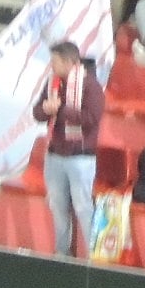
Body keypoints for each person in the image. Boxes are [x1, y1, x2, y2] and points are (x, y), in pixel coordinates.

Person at [38, 40, 106, 258]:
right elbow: (37, 113)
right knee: (58, 208)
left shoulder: (91, 86)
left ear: (69, 62)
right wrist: (45, 110)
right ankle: (62, 252)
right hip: (55, 154)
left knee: (83, 208)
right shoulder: (52, 84)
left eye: (55, 61)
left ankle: (93, 256)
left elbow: (91, 118)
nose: (52, 66)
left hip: (80, 158)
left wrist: (61, 110)